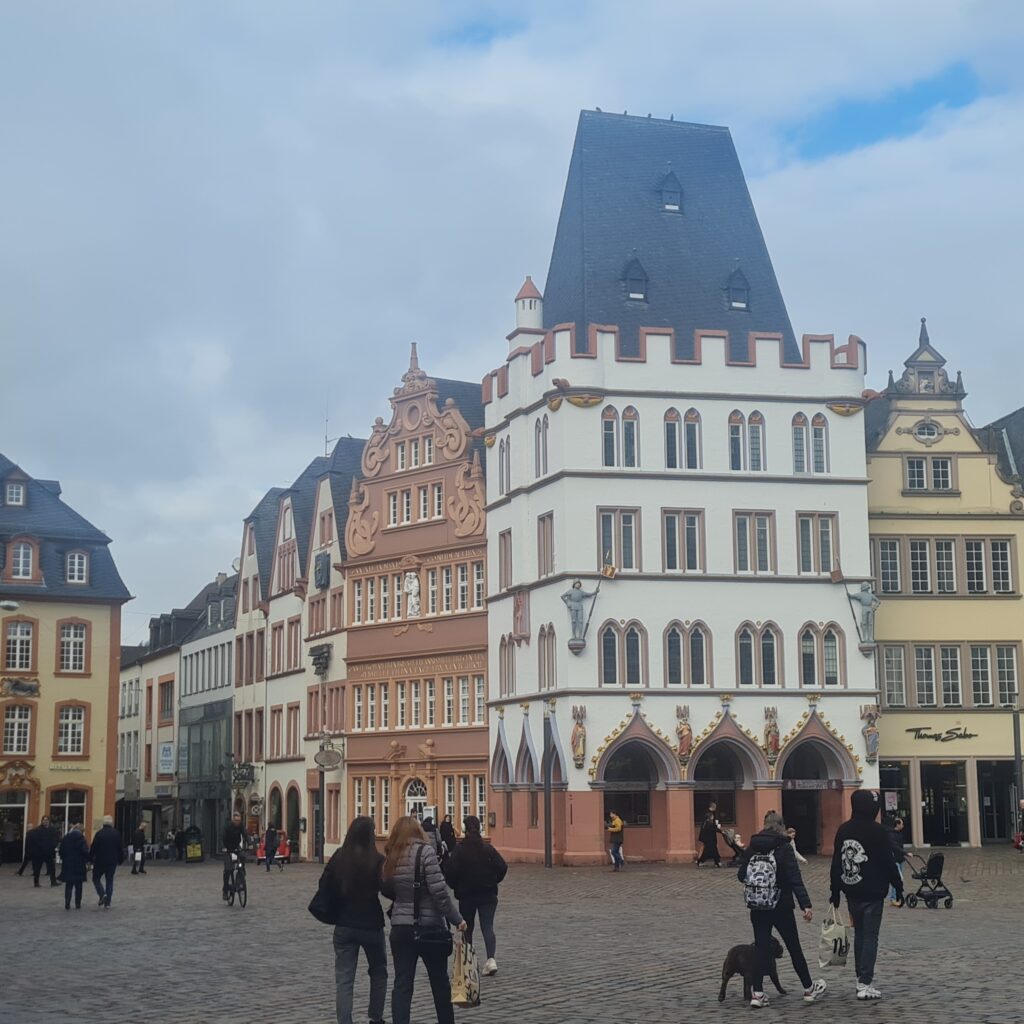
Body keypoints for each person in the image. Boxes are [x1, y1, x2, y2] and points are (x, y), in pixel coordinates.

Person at [380, 816, 466, 1024]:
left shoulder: (392, 856)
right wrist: (457, 919)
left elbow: (387, 888)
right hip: (429, 929)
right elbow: (440, 893)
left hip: (401, 928)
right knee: (439, 983)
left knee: (402, 984)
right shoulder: (426, 852)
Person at [739, 810, 827, 1009]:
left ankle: (758, 993)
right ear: (781, 826)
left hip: (758, 905)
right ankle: (808, 988)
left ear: (764, 824)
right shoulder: (784, 846)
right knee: (794, 946)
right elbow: (795, 879)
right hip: (782, 905)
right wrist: (806, 905)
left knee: (761, 948)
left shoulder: (753, 845)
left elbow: (740, 875)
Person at [830, 790, 904, 1001]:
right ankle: (865, 982)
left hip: (851, 890)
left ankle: (860, 978)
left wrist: (834, 891)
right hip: (873, 892)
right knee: (870, 936)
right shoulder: (878, 831)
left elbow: (837, 862)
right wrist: (897, 885)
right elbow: (888, 862)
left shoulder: (844, 829)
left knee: (860, 934)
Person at [322, 816, 387, 1024]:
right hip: (371, 924)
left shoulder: (340, 856)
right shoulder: (377, 860)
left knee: (344, 978)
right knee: (378, 971)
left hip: (344, 923)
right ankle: (376, 1016)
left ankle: (345, 1020)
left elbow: (324, 882)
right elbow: (386, 888)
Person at [443, 815, 507, 977]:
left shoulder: (459, 850)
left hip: (467, 896)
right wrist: (494, 881)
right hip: (488, 894)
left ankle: (468, 963)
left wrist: (455, 886)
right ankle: (491, 959)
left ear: (464, 829)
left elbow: (449, 872)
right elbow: (502, 867)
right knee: (487, 927)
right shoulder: (488, 849)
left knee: (467, 928)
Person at [90, 815, 124, 908]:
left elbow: (93, 847)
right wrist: (120, 859)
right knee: (109, 880)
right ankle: (108, 903)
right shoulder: (116, 833)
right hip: (112, 861)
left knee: (96, 878)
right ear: (111, 823)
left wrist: (90, 858)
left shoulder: (99, 833)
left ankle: (102, 894)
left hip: (100, 861)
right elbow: (120, 848)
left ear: (103, 823)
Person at [58, 823, 90, 910]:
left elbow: (61, 851)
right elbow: (85, 852)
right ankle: (78, 904)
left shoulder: (66, 838)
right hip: (79, 865)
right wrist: (88, 860)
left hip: (68, 864)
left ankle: (67, 903)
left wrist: (64, 857)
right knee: (78, 885)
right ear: (81, 831)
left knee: (69, 885)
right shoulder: (82, 839)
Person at [221, 812, 246, 900]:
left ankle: (242, 873)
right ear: (233, 820)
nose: (237, 822)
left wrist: (250, 843)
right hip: (227, 847)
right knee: (228, 869)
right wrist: (224, 847)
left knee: (242, 856)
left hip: (236, 846)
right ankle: (225, 890)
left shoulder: (241, 826)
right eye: (236, 820)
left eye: (239, 820)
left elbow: (245, 834)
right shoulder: (227, 826)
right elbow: (223, 837)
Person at [884, 815, 907, 906]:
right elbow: (894, 847)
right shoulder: (892, 835)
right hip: (895, 859)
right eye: (901, 824)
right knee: (896, 878)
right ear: (897, 824)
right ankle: (893, 898)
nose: (903, 826)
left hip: (900, 859)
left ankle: (896, 897)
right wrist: (904, 853)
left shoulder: (898, 834)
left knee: (899, 879)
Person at [32, 815, 60, 887]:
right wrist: (39, 847)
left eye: (47, 820)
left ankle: (53, 882)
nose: (45, 821)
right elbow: (35, 840)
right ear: (42, 821)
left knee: (52, 868)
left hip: (49, 851)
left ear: (49, 821)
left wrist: (53, 845)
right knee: (37, 868)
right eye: (44, 820)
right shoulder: (38, 830)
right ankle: (36, 882)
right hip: (39, 852)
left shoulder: (52, 829)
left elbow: (56, 838)